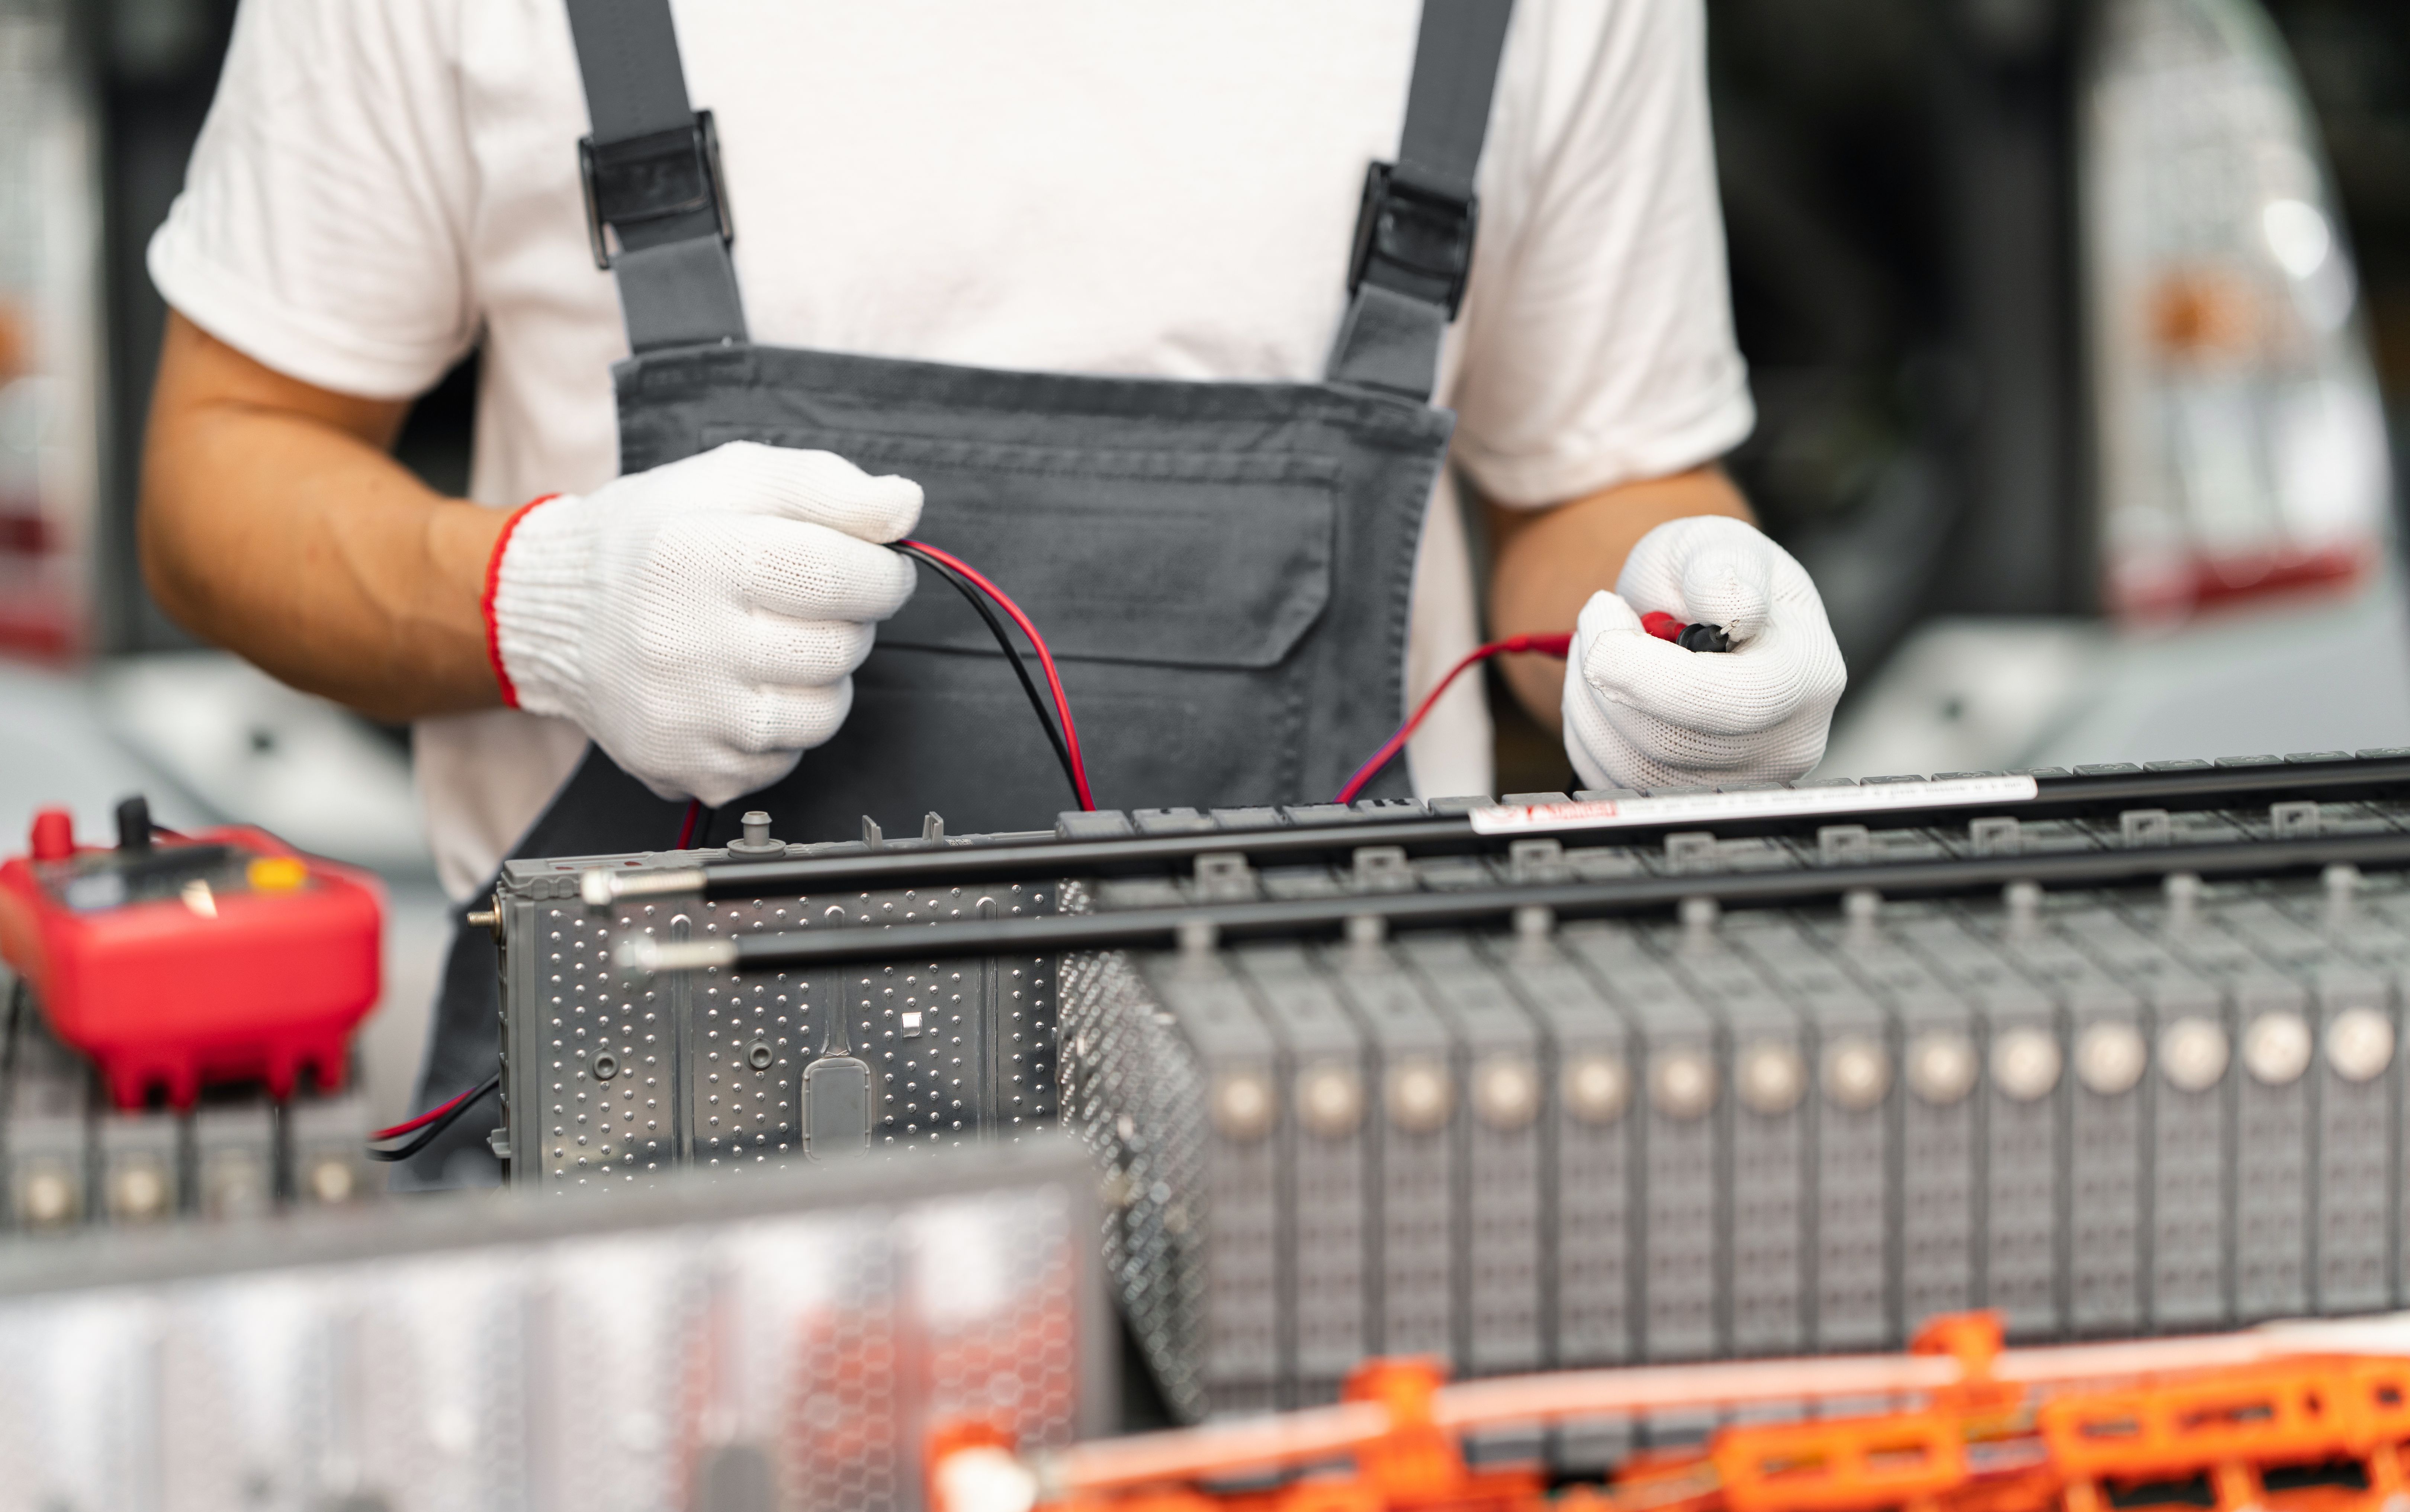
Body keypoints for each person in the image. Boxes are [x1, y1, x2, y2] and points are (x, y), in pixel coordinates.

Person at [137, 0, 1845, 1182]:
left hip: (1322, 1183)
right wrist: (536, 601)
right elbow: (224, 465)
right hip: (636, 1181)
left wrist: (1677, 629)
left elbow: (1597, 473)